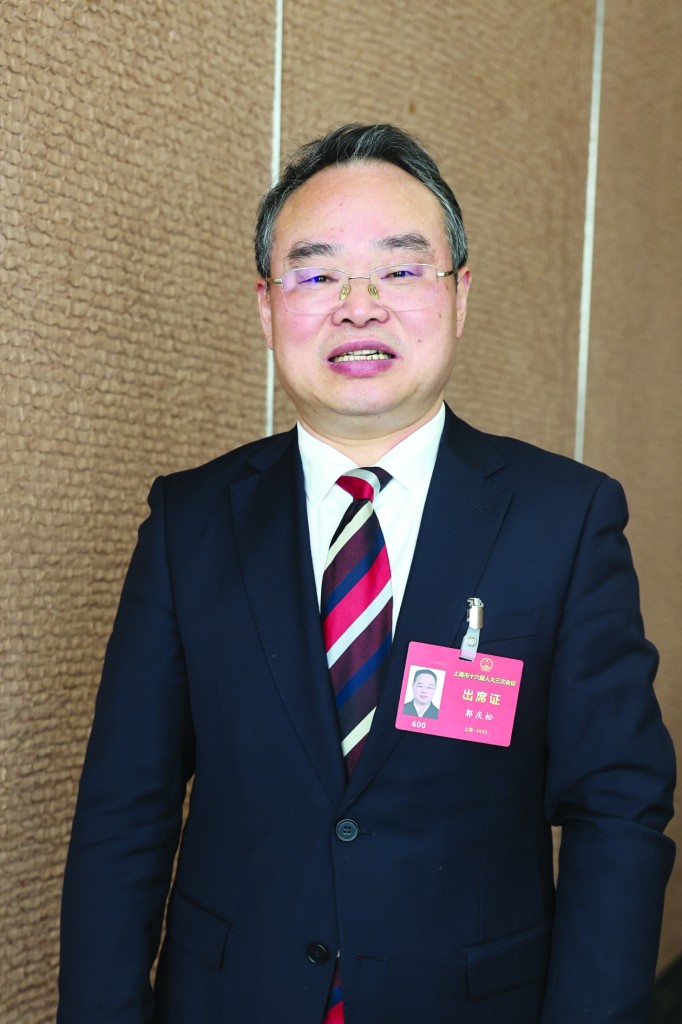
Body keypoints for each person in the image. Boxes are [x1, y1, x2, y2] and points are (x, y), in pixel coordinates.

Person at [58, 123, 676, 1024]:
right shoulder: (189, 522)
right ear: (267, 307)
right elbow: (125, 812)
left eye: (400, 269)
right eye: (316, 276)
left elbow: (616, 810)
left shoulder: (564, 519)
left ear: (459, 295)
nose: (359, 307)